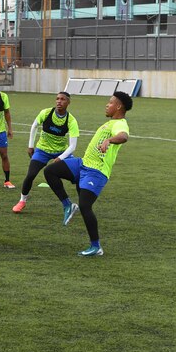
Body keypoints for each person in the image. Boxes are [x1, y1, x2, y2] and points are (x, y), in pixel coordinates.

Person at [43, 91, 132, 256]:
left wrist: (109, 140)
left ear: (119, 106)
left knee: (85, 206)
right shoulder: (110, 123)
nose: (107, 105)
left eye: (110, 102)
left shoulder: (120, 123)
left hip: (96, 171)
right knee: (50, 171)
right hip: (82, 164)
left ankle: (96, 246)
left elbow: (124, 136)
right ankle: (68, 205)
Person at [12, 92, 80, 214]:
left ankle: (82, 203)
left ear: (68, 102)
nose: (59, 101)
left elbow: (73, 146)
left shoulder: (71, 120)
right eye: (57, 99)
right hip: (43, 150)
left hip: (62, 152)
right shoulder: (46, 112)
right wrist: (31, 146)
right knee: (31, 175)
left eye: (63, 99)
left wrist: (61, 157)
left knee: (78, 175)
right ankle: (22, 201)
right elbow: (34, 126)